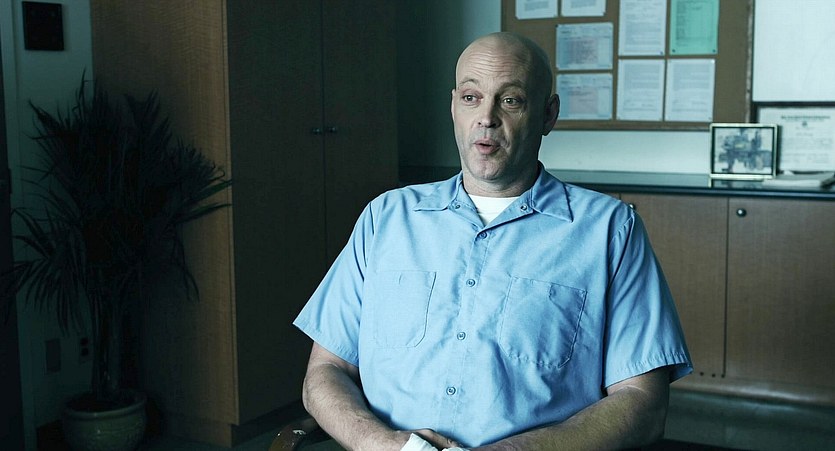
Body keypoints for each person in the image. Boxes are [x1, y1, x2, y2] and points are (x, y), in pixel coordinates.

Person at [293, 32, 692, 450]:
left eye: (511, 100)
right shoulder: (386, 218)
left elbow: (643, 402)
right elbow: (326, 371)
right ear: (454, 107)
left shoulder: (610, 230)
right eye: (471, 98)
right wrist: (384, 445)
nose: (487, 118)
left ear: (548, 115)